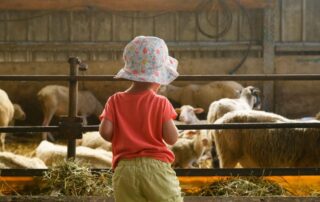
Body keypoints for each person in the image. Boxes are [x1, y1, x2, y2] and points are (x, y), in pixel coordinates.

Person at [99, 36, 183, 202]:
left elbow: (105, 133)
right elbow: (172, 138)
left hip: (124, 170)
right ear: (158, 77)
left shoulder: (114, 100)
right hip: (156, 169)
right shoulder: (161, 102)